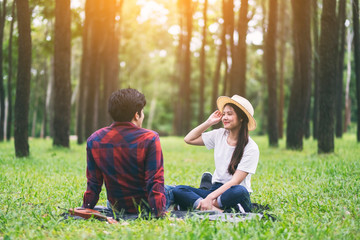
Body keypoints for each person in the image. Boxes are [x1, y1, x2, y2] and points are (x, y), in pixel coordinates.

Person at [82, 88, 166, 217]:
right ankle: (203, 195)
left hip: (117, 206)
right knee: (177, 190)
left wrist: (86, 208)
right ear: (136, 115)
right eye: (142, 112)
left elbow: (93, 182)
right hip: (146, 206)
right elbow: (155, 180)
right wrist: (159, 213)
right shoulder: (149, 138)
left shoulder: (95, 139)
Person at [173, 95, 259, 213]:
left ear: (241, 118)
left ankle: (202, 205)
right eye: (224, 114)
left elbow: (235, 182)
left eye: (229, 114)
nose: (225, 117)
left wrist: (209, 198)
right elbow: (189, 139)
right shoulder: (219, 135)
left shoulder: (251, 148)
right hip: (215, 189)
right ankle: (218, 211)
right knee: (179, 190)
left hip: (232, 192)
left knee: (240, 191)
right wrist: (209, 122)